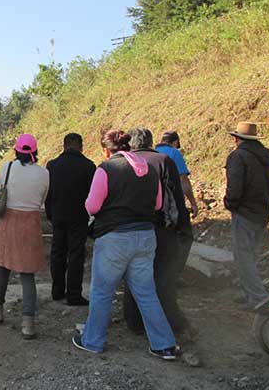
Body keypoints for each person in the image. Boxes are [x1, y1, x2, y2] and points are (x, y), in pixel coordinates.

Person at [72, 130, 179, 360]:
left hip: (115, 238)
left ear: (106, 149)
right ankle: (164, 344)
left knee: (102, 291)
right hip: (146, 236)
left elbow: (92, 207)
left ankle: (92, 340)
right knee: (146, 292)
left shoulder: (107, 169)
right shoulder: (149, 170)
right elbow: (159, 203)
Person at [123, 128, 194, 340]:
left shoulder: (124, 162)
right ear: (151, 142)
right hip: (161, 227)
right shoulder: (163, 160)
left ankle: (134, 321)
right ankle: (171, 321)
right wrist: (183, 225)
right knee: (164, 276)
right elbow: (175, 195)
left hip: (133, 227)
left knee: (134, 275)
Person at [0, 134, 49, 340]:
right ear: (35, 151)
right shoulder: (44, 173)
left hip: (8, 222)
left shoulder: (8, 168)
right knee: (27, 274)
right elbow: (42, 201)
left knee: (3, 267)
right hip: (31, 224)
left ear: (17, 150)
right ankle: (28, 324)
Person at [224, 122, 269, 307]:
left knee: (243, 256)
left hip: (244, 211)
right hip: (261, 209)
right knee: (250, 254)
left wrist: (230, 204)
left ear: (237, 138)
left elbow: (234, 187)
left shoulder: (238, 156)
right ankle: (250, 293)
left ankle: (258, 297)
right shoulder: (265, 155)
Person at [45, 133, 96, 305]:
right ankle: (74, 294)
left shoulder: (52, 166)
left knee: (57, 252)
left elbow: (48, 193)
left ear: (64, 146)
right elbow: (92, 194)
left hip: (58, 215)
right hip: (79, 217)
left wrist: (50, 214)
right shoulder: (89, 166)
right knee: (76, 254)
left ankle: (57, 291)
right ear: (81, 146)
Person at [156, 131, 198, 217]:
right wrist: (193, 203)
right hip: (172, 201)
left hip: (155, 202)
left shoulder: (153, 152)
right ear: (175, 142)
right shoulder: (174, 153)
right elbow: (183, 181)